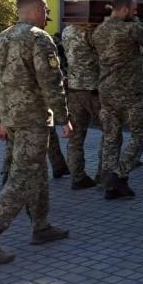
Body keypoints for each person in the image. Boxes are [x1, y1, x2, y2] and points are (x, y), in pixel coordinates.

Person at [0, 0, 71, 264]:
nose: (46, 16)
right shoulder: (39, 38)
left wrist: (0, 119)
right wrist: (64, 118)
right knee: (23, 176)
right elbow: (51, 84)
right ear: (38, 10)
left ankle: (41, 226)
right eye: (46, 10)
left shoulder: (0, 39)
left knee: (37, 172)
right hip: (32, 119)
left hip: (13, 119)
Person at [92, 0, 143, 199]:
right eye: (134, 10)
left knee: (111, 136)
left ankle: (110, 185)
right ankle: (119, 175)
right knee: (141, 133)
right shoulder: (131, 29)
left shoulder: (98, 31)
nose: (136, 13)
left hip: (106, 91)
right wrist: (136, 20)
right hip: (129, 92)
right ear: (126, 10)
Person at [61, 19, 102, 190]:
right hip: (93, 90)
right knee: (110, 132)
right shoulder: (94, 31)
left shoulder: (67, 31)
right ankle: (104, 174)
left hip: (75, 89)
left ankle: (77, 177)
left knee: (76, 136)